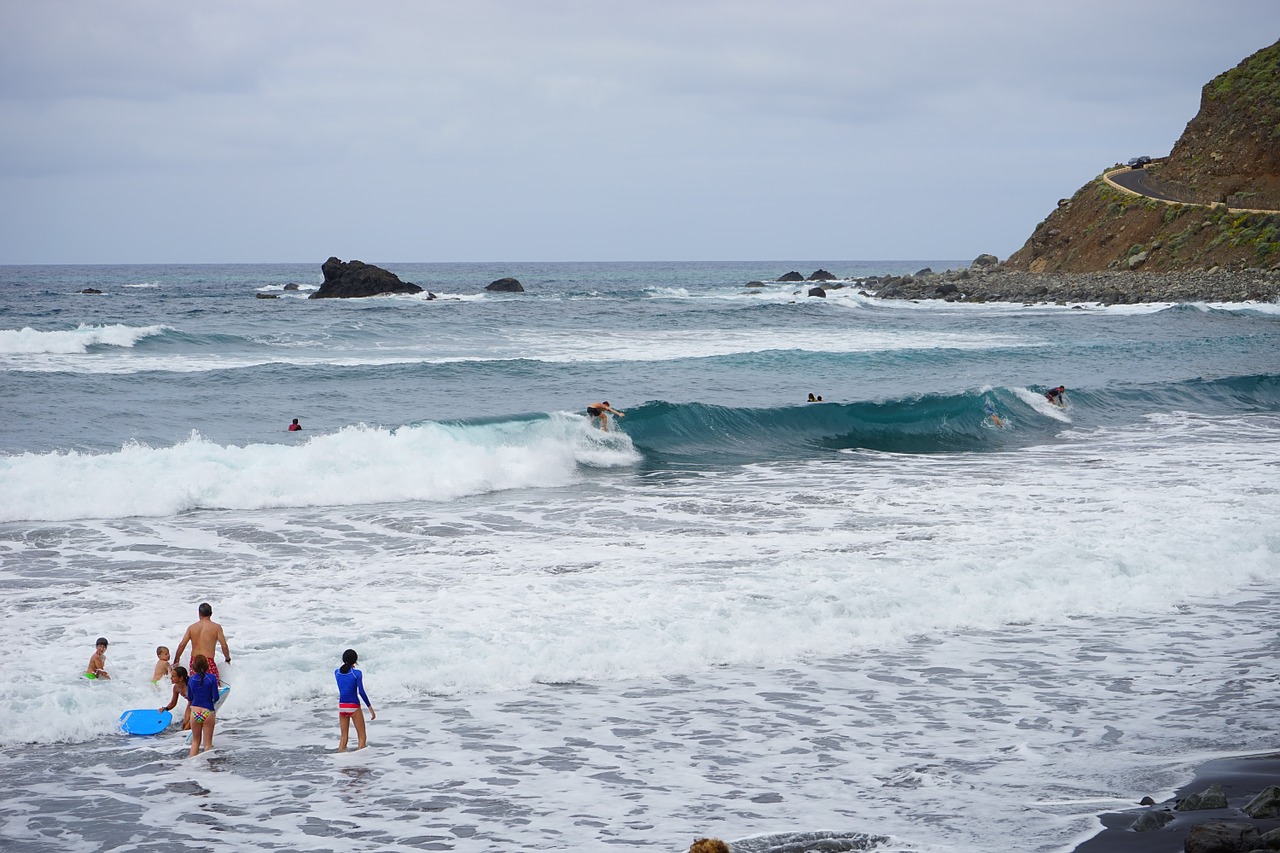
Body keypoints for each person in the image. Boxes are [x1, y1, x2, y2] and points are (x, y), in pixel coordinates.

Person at [174, 602, 231, 683]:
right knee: (213, 685)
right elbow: (224, 646)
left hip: (195, 661)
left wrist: (176, 660)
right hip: (208, 662)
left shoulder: (192, 627)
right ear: (211, 613)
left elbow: (182, 645)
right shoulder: (216, 628)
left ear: (199, 613)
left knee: (196, 684)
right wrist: (227, 659)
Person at [335, 648, 376, 751]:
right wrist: (370, 708)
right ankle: (360, 763)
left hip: (342, 707)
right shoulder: (357, 673)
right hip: (353, 706)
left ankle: (339, 761)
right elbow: (361, 692)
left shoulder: (336, 673)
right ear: (355, 661)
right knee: (362, 737)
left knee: (344, 738)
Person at [186, 654, 220, 756]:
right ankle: (208, 770)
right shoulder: (212, 678)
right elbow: (216, 697)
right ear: (207, 666)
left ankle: (189, 766)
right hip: (208, 712)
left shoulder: (191, 679)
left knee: (195, 742)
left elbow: (190, 698)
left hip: (195, 713)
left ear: (194, 666)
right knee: (207, 745)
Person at [159, 665, 192, 730]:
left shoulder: (190, 686)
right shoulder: (176, 688)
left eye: (173, 676)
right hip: (191, 703)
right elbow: (173, 703)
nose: (171, 678)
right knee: (184, 725)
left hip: (199, 704)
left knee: (188, 726)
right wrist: (166, 709)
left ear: (181, 678)